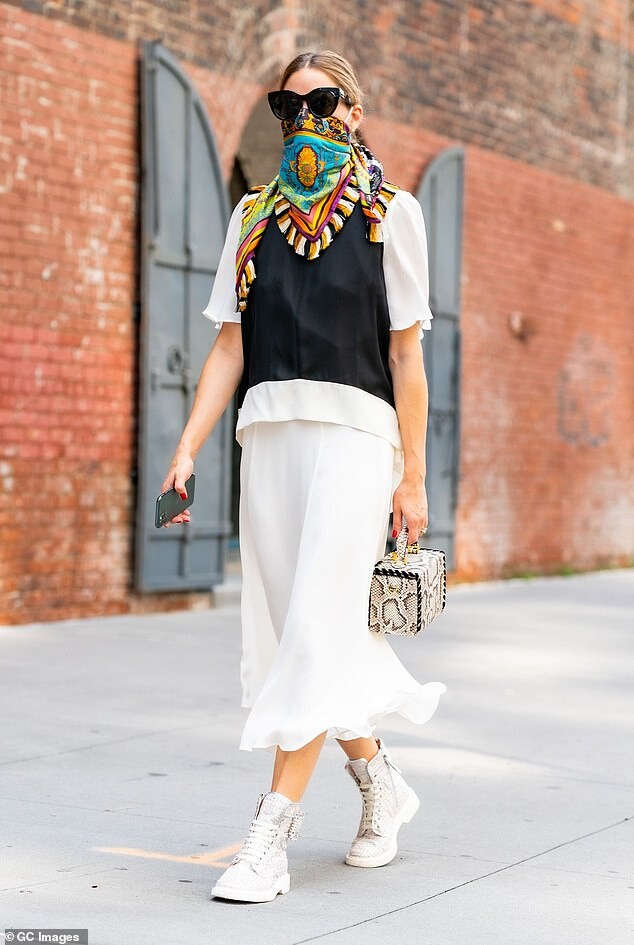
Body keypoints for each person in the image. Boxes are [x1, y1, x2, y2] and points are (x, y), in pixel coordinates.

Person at [161, 49, 446, 904]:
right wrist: (187, 446)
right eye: (287, 107)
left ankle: (270, 836)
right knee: (304, 633)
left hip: (357, 438)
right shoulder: (252, 215)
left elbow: (407, 355)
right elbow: (229, 344)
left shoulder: (392, 213)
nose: (304, 119)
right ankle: (381, 783)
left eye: (321, 102)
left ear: (354, 112)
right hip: (270, 438)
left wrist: (414, 478)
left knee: (318, 627)